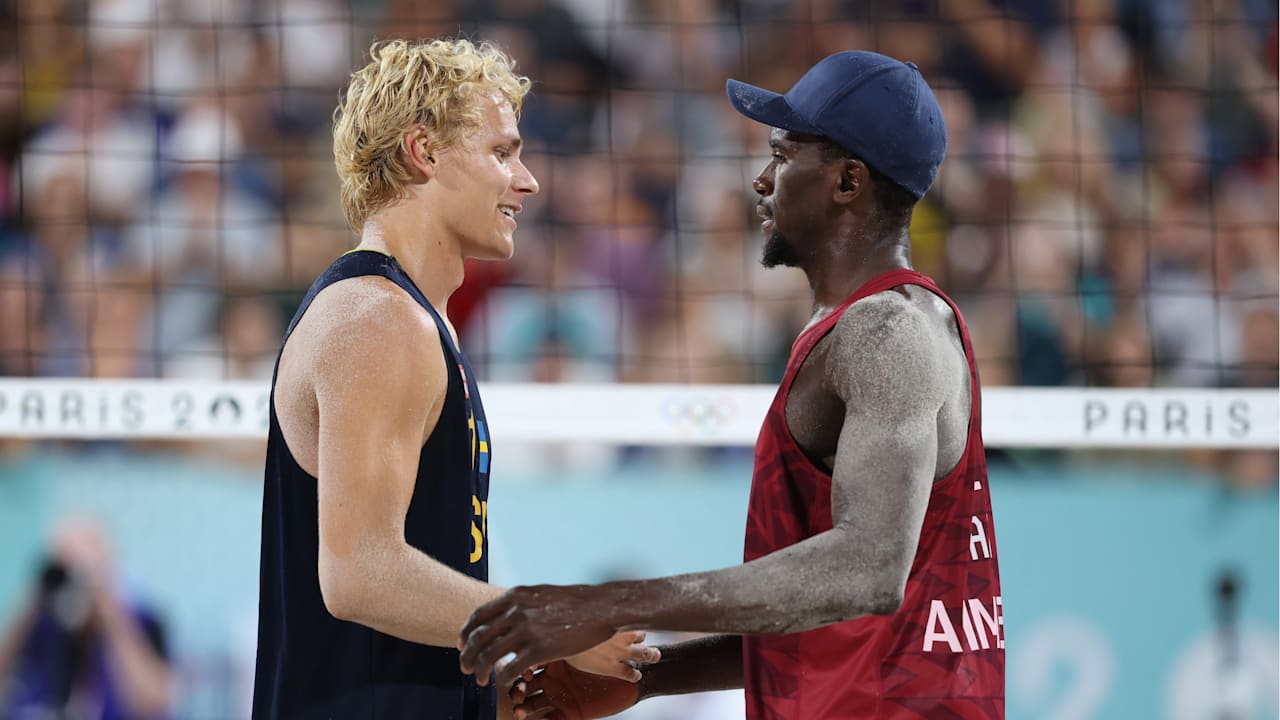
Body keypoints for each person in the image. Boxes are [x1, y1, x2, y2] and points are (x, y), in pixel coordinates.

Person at [458, 50, 1005, 719]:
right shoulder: (872, 325)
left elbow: (867, 568)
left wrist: (607, 602)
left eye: (783, 155)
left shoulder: (887, 333)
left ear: (848, 181)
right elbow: (823, 613)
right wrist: (648, 681)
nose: (762, 179)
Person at [251, 38, 656, 720]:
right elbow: (357, 574)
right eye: (502, 153)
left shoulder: (415, 321)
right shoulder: (375, 319)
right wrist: (548, 626)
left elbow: (406, 583)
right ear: (425, 151)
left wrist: (480, 689)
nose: (526, 180)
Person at [0, 519, 173, 720]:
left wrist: (111, 615)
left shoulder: (144, 622)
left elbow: (154, 703)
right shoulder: (41, 625)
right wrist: (33, 601)